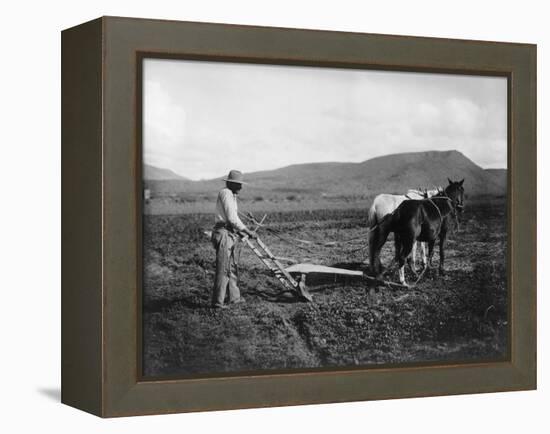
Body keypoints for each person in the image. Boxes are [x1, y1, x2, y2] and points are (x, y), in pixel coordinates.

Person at [211, 170, 257, 308]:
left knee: (231, 267)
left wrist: (240, 232)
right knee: (224, 268)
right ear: (230, 183)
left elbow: (232, 219)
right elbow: (232, 218)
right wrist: (247, 231)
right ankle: (217, 303)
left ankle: (234, 298)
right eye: (238, 184)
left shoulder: (231, 195)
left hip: (229, 232)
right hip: (224, 233)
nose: (241, 187)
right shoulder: (226, 193)